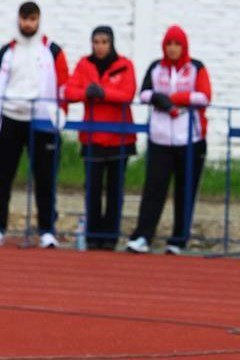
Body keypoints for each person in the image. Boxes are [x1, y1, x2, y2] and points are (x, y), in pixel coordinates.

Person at [126, 25, 212, 255]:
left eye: (177, 44)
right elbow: (143, 93)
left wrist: (175, 98)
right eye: (169, 44)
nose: (173, 49)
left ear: (184, 47)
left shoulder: (196, 67)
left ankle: (178, 238)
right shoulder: (156, 67)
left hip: (190, 139)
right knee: (154, 188)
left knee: (185, 190)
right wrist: (157, 97)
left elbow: (204, 96)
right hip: (160, 139)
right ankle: (143, 235)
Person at [0, 1, 68, 248]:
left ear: (39, 20)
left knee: (45, 177)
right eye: (24, 19)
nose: (28, 24)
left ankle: (47, 230)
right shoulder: (7, 50)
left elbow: (63, 85)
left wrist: (60, 115)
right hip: (11, 118)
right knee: (3, 176)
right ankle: (0, 227)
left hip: (41, 120)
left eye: (32, 19)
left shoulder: (52, 50)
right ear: (18, 20)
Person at [65, 26, 136, 251]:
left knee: (115, 190)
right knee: (92, 189)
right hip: (92, 137)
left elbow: (128, 93)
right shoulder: (84, 64)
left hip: (119, 138)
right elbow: (69, 91)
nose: (100, 46)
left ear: (111, 43)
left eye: (104, 41)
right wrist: (88, 91)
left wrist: (104, 93)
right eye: (96, 41)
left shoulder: (124, 65)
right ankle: (93, 235)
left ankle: (110, 237)